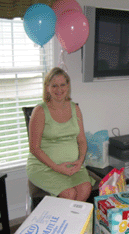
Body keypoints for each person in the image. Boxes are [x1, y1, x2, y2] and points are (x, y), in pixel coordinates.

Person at [26, 67, 95, 202]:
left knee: (85, 188)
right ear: (47, 88)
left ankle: (73, 223)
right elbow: (34, 148)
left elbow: (81, 140)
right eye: (54, 85)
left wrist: (80, 161)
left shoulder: (75, 108)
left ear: (68, 86)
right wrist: (57, 167)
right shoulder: (40, 111)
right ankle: (67, 222)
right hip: (44, 167)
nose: (59, 89)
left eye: (63, 84)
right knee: (69, 194)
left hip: (72, 165)